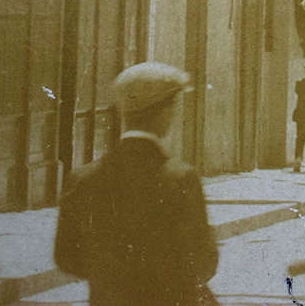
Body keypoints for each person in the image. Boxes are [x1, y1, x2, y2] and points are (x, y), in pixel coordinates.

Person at [54, 62, 218, 306]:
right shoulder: (180, 177)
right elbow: (204, 261)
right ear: (167, 109)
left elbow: (66, 256)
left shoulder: (84, 178)